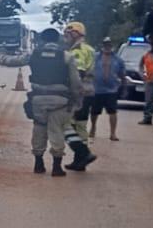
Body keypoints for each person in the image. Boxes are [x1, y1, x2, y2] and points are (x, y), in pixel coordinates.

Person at [9, 27, 83, 176]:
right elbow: (75, 82)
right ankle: (56, 168)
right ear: (58, 39)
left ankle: (38, 164)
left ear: (42, 39)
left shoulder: (33, 54)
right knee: (57, 131)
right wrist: (77, 99)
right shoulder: (67, 56)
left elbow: (12, 61)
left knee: (39, 129)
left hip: (38, 99)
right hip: (60, 101)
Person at [59, 21, 97, 170]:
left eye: (69, 33)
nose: (66, 36)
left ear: (77, 34)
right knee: (81, 126)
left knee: (66, 125)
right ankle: (80, 160)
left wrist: (70, 92)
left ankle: (83, 153)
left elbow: (78, 72)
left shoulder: (77, 50)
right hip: (89, 91)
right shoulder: (89, 49)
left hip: (79, 93)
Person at [89, 36, 126, 140]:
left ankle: (113, 133)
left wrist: (124, 88)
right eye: (105, 44)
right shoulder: (95, 57)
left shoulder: (118, 60)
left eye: (109, 45)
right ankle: (93, 128)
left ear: (112, 46)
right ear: (102, 45)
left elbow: (122, 75)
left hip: (112, 90)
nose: (107, 47)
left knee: (113, 112)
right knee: (94, 112)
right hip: (97, 89)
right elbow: (89, 69)